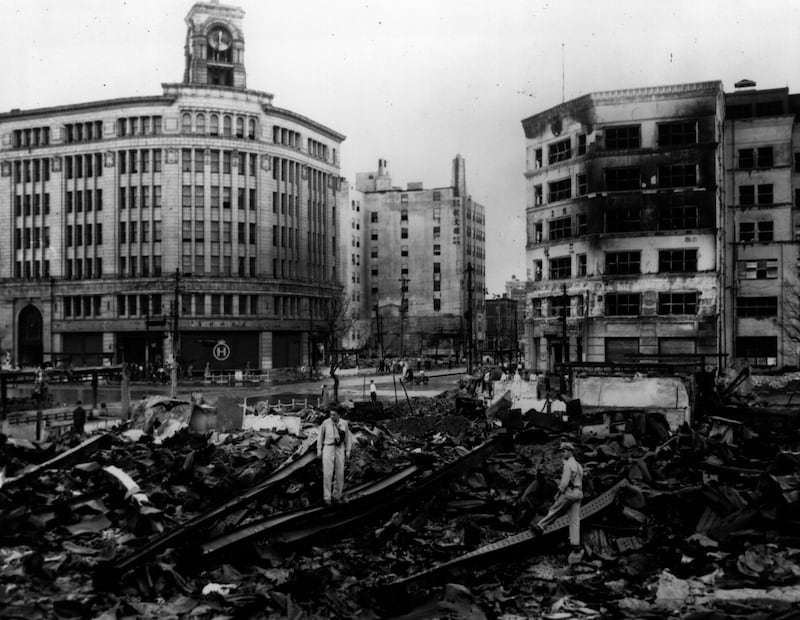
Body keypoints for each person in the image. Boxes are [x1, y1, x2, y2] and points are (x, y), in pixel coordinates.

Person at [530, 441, 584, 554]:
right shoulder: (578, 466)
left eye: (564, 451)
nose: (563, 453)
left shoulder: (568, 465)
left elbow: (564, 483)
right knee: (574, 520)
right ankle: (575, 544)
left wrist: (558, 493)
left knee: (555, 509)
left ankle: (540, 526)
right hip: (579, 492)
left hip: (569, 492)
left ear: (569, 451)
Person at [316, 407, 353, 505]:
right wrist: (319, 449)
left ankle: (337, 495)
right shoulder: (326, 423)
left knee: (340, 474)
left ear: (339, 415)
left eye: (334, 415)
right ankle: (327, 497)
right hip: (328, 448)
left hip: (340, 449)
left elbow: (347, 438)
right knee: (328, 474)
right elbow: (320, 437)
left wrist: (348, 451)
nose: (332, 416)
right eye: (331, 414)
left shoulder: (344, 423)